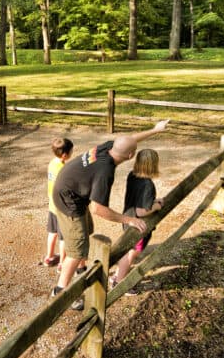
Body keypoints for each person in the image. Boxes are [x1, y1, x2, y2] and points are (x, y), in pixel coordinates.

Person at [50, 119, 169, 310]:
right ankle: (60, 291)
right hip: (68, 201)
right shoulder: (105, 172)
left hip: (73, 192)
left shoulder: (108, 148)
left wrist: (155, 130)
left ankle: (80, 269)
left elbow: (129, 140)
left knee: (86, 232)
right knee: (76, 249)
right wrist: (128, 219)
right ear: (131, 156)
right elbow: (98, 209)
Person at [110, 148, 164, 295]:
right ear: (153, 164)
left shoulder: (132, 175)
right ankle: (119, 283)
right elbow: (142, 211)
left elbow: (140, 200)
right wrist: (156, 206)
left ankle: (117, 275)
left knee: (127, 250)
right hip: (138, 225)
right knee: (131, 254)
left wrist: (152, 201)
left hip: (128, 218)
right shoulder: (148, 184)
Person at [42, 138, 74, 267]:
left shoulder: (52, 163)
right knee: (63, 237)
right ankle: (62, 263)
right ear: (65, 155)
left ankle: (49, 257)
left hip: (52, 205)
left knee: (52, 232)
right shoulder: (64, 169)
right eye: (72, 151)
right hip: (61, 208)